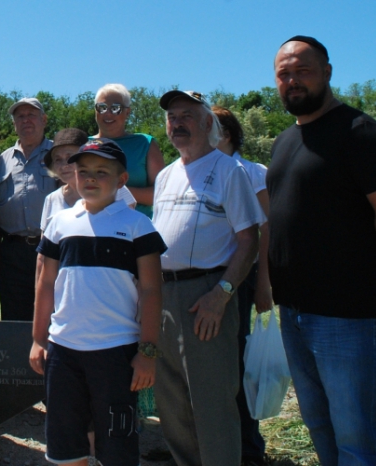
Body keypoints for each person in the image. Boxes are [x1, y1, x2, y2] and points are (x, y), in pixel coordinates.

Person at [267, 36, 376, 466]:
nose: (293, 80)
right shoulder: (285, 142)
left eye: (303, 70)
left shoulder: (360, 133)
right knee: (320, 424)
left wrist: (371, 267)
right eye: (284, 73)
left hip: (348, 314)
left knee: (357, 436)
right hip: (295, 310)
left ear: (328, 72)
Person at [30, 138, 166, 466]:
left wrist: (147, 352)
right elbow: (45, 283)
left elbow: (152, 290)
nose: (90, 178)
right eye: (83, 171)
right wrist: (38, 339)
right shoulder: (60, 223)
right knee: (66, 446)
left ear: (122, 180)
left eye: (102, 172)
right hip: (63, 351)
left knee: (117, 446)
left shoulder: (137, 225)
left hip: (116, 354)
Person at [151, 89, 266, 466]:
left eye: (187, 115)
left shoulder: (229, 170)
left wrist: (222, 295)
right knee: (172, 401)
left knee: (212, 402)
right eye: (172, 117)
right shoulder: (166, 175)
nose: (177, 123)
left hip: (206, 295)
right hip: (164, 296)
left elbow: (249, 239)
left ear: (206, 123)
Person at [212, 105, 272, 466]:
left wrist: (264, 283)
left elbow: (265, 231)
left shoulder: (252, 172)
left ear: (227, 135)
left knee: (236, 359)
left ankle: (248, 448)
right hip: (203, 279)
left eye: (210, 126)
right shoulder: (196, 170)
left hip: (241, 277)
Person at [0, 97, 56, 321]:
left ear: (44, 120)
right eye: (20, 116)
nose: (26, 120)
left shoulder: (58, 154)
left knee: (52, 316)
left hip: (51, 249)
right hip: (12, 252)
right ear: (14, 124)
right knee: (14, 320)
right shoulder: (3, 159)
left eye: (31, 115)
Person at [39, 128, 136, 233]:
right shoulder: (51, 199)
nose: (64, 165)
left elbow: (131, 228)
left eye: (69, 157)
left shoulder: (115, 190)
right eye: (58, 159)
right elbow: (46, 238)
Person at [92, 83, 165, 217]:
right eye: (102, 107)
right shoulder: (83, 145)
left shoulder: (145, 143)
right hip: (92, 225)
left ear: (127, 112)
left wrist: (113, 190)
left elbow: (162, 193)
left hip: (137, 226)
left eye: (116, 108)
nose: (108, 113)